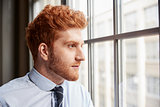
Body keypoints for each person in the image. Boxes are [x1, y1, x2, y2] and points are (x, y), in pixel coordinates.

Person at [0, 5, 94, 107]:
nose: (82, 56)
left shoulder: (81, 94)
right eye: (71, 46)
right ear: (44, 51)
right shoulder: (5, 99)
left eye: (81, 46)